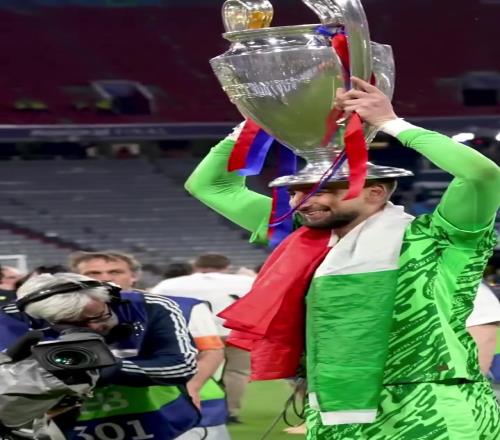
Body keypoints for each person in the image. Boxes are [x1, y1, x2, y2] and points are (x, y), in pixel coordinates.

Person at [184, 76, 500, 439]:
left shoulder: (436, 237)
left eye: (322, 190)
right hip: (334, 410)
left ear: (375, 192)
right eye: (295, 191)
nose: (303, 201)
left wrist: (391, 123)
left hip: (432, 406)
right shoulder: (302, 237)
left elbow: (482, 175)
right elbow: (208, 185)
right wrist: (259, 121)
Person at [0, 272, 198, 439]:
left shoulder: (149, 307)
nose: (94, 327)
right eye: (73, 323)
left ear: (109, 299)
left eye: (99, 316)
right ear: (38, 318)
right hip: (60, 430)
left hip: (162, 425)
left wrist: (110, 368)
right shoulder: (8, 321)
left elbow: (182, 365)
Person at [71, 250, 230, 439]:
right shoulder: (58, 314)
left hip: (179, 405)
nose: (105, 278)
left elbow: (211, 351)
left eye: (115, 272)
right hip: (103, 412)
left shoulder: (183, 307)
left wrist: (193, 387)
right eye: (93, 273)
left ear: (134, 276)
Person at [152, 253, 255, 424]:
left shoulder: (171, 284)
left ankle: (190, 407)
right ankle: (231, 412)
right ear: (227, 267)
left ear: (195, 266)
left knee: (193, 371)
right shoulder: (246, 281)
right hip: (237, 331)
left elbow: (153, 304)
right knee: (237, 373)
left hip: (196, 333)